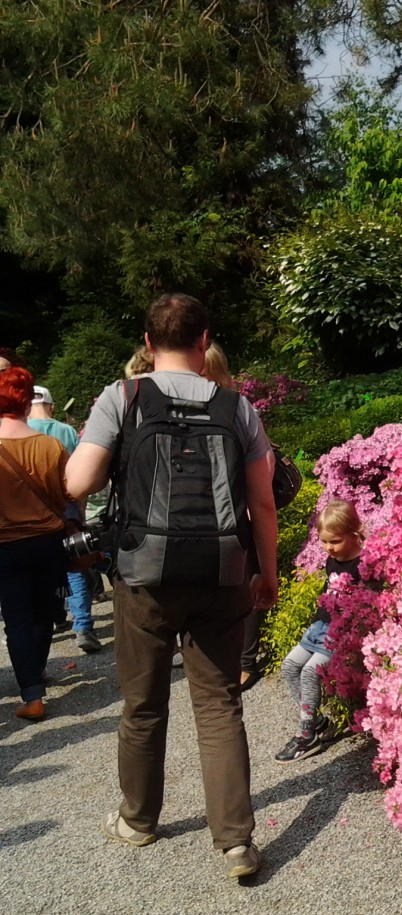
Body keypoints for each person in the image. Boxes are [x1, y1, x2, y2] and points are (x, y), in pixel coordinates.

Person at [66, 292, 278, 879]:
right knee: (218, 705)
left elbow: (78, 482)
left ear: (146, 339)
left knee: (142, 705)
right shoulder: (237, 408)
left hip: (143, 578)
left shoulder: (123, 397)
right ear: (203, 340)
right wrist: (268, 573)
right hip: (222, 575)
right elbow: (262, 500)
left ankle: (138, 821)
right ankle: (236, 842)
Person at [0, 367, 71, 721]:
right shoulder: (51, 445)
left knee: (17, 621)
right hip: (49, 541)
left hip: (5, 545)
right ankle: (38, 670)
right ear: (28, 402)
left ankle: (32, 694)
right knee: (45, 613)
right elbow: (69, 492)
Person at [276, 499, 363, 764]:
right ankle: (318, 721)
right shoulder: (331, 561)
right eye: (324, 542)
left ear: (353, 533)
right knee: (289, 666)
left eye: (334, 541)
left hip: (341, 632)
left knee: (310, 672)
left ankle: (306, 735)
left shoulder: (363, 565)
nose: (328, 548)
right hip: (320, 627)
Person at [202, 342, 259, 688]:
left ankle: (246, 660)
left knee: (243, 585)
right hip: (215, 517)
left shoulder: (234, 408)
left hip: (237, 514)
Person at [29, 385, 101, 653]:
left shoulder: (17, 432)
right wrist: (79, 512)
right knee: (76, 571)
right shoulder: (67, 432)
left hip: (32, 516)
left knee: (39, 573)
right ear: (51, 406)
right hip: (66, 510)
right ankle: (83, 628)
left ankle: (49, 620)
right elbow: (77, 477)